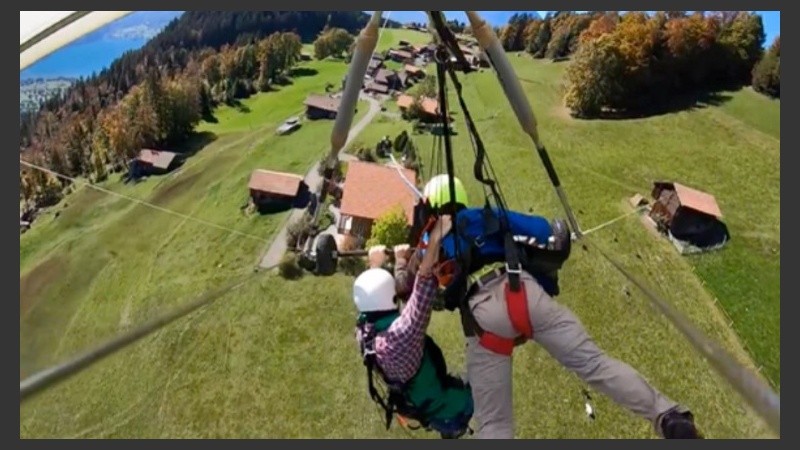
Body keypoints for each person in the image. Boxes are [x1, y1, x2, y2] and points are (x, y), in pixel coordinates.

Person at [391, 174, 703, 439]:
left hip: (484, 319)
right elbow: (548, 232)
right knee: (595, 364)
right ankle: (667, 416)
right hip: (522, 290)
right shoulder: (482, 217)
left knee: (495, 424)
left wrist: (403, 258)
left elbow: (407, 287)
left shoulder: (430, 244)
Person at [353, 215, 474, 439]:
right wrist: (436, 236)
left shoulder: (364, 332)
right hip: (449, 407)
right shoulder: (403, 334)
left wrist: (376, 266)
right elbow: (424, 283)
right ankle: (455, 427)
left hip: (421, 406)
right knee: (475, 388)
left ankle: (448, 428)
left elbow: (374, 298)